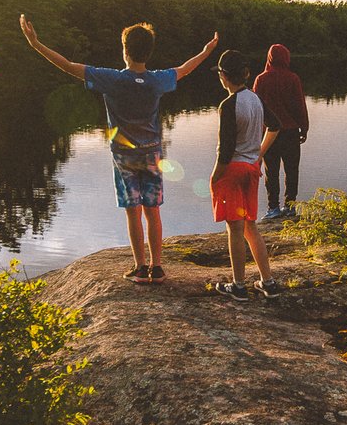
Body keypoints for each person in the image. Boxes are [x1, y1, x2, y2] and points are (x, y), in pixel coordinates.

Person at [20, 15, 218, 281]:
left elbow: (67, 66)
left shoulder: (111, 79)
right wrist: (206, 51)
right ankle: (157, 267)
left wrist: (36, 45)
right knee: (152, 211)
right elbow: (185, 68)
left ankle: (140, 267)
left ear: (125, 51)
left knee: (133, 211)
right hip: (152, 153)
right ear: (149, 52)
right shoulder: (157, 80)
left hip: (124, 157)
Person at [209, 48, 277, 297]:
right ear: (246, 74)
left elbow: (225, 150)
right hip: (251, 170)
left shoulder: (228, 105)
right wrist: (259, 154)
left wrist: (215, 177)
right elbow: (275, 125)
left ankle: (238, 286)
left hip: (233, 171)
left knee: (235, 229)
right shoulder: (256, 99)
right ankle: (267, 282)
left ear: (224, 77)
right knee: (250, 226)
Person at [253, 43, 309, 218]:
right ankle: (290, 206)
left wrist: (256, 134)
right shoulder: (293, 79)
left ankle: (273, 208)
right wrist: (304, 127)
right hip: (291, 131)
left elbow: (256, 109)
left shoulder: (261, 79)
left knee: (272, 171)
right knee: (292, 170)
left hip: (270, 133)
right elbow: (299, 106)